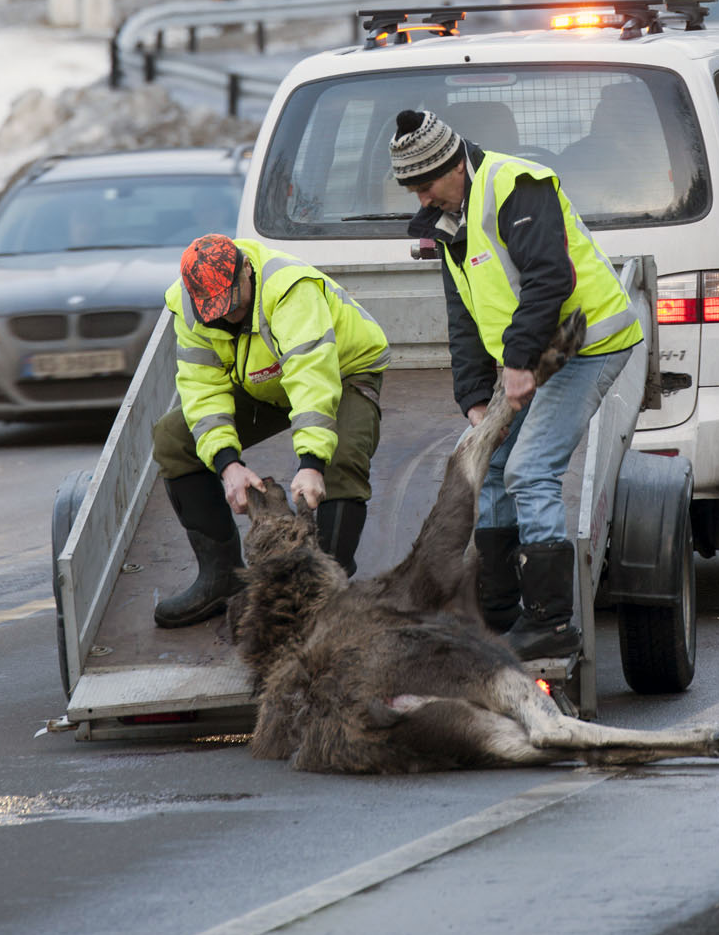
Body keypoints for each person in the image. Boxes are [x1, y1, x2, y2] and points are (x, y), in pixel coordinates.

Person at [391, 107, 641, 661]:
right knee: (494, 468)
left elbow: (550, 277)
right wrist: (476, 399)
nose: (422, 200)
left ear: (453, 165)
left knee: (530, 470)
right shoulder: (449, 221)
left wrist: (522, 363)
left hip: (586, 343)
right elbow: (465, 312)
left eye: (426, 186)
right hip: (535, 352)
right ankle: (499, 613)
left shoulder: (515, 186)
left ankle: (551, 624)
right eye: (413, 191)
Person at [151, 233, 388, 628]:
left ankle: (326, 592)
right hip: (264, 382)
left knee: (341, 457)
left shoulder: (289, 288)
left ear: (247, 268)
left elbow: (313, 379)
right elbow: (201, 390)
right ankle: (223, 578)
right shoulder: (192, 309)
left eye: (233, 304)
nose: (227, 317)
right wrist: (228, 465)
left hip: (343, 371)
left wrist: (311, 463)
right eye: (215, 312)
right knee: (173, 439)